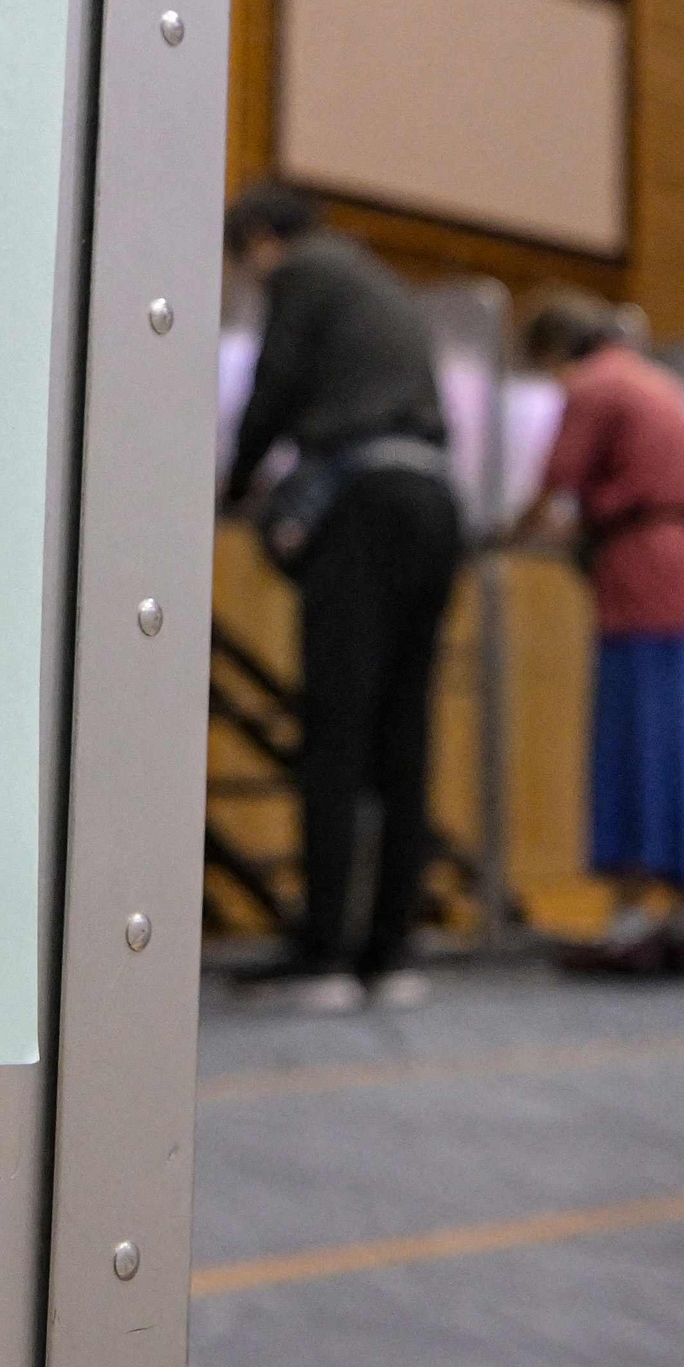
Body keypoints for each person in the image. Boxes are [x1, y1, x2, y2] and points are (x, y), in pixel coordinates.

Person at [222, 185, 463, 1014]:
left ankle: (323, 953)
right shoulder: (377, 277)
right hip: (433, 501)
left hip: (363, 506)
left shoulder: (304, 275)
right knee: (404, 735)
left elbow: (275, 383)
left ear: (259, 240)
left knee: (336, 729)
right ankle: (390, 953)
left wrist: (233, 482)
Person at [513, 291, 684, 980]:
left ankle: (630, 919)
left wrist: (507, 533)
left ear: (555, 352)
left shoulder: (593, 386)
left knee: (636, 748)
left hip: (642, 585)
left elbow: (553, 486)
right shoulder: (657, 380)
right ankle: (681, 916)